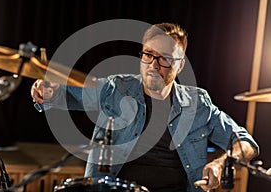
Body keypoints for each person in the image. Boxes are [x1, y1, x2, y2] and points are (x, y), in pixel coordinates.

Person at [31, 22, 259, 192]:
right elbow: (67, 95)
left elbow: (246, 143)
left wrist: (220, 164)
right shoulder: (116, 88)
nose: (153, 64)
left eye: (164, 58)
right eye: (148, 54)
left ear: (180, 66)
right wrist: (47, 92)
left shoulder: (198, 104)